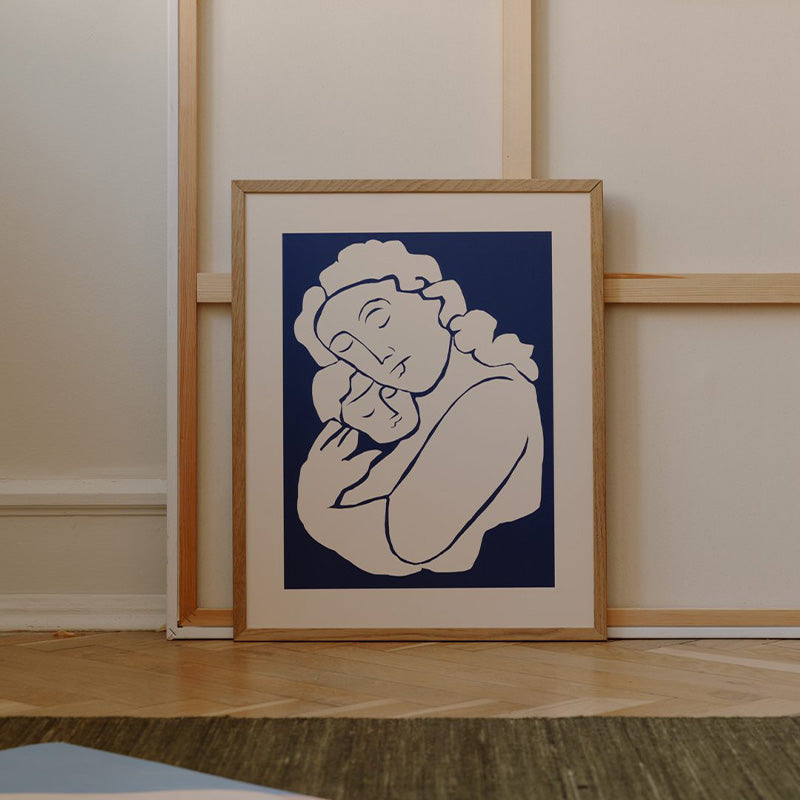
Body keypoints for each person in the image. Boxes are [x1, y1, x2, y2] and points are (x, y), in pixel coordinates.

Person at [294, 239, 543, 576]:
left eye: (378, 319)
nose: (376, 355)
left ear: (435, 298)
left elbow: (411, 541)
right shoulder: (419, 420)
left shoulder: (496, 399)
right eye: (349, 349)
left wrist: (317, 513)